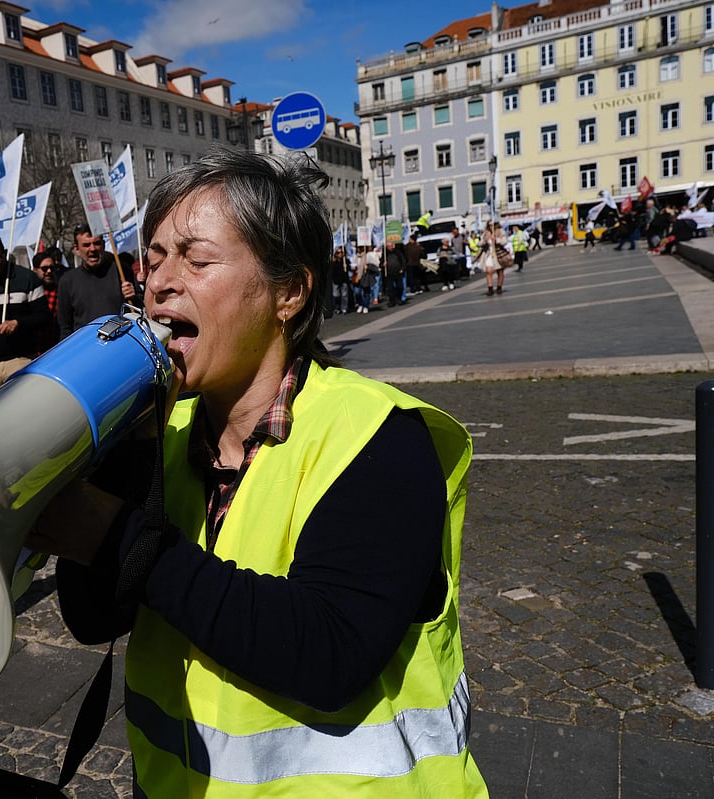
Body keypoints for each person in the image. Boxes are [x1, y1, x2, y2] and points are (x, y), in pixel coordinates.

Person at [29, 149, 488, 797]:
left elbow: (329, 651)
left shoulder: (376, 438)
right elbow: (96, 617)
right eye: (154, 257)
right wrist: (108, 473)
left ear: (288, 291)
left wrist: (113, 534)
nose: (159, 281)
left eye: (195, 257)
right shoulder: (169, 434)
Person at [0, 233, 50, 394]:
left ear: (5, 253)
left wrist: (17, 323)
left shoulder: (27, 278)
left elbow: (44, 316)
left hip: (19, 360)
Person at [56, 224, 139, 338]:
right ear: (76, 249)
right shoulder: (67, 281)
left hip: (120, 343)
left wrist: (134, 297)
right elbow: (65, 326)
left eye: (97, 243)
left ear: (103, 245)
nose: (93, 249)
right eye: (86, 245)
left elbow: (139, 311)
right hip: (86, 347)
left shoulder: (121, 270)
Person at [32, 248, 63, 354]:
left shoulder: (60, 291)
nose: (49, 272)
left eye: (52, 268)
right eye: (44, 268)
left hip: (54, 348)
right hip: (33, 350)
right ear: (35, 270)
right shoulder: (29, 292)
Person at [479, 221, 508, 296]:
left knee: (500, 271)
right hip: (489, 254)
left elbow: (505, 241)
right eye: (489, 225)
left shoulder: (500, 231)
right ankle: (490, 288)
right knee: (489, 271)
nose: (490, 226)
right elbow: (480, 243)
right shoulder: (485, 233)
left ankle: (499, 287)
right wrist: (485, 241)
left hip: (498, 253)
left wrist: (497, 239)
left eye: (492, 225)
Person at [382, 240, 405, 307]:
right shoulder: (385, 254)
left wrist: (402, 269)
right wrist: (383, 265)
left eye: (390, 246)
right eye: (388, 246)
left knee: (400, 286)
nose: (389, 247)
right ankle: (392, 301)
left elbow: (403, 261)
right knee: (390, 288)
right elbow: (381, 263)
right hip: (389, 273)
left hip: (398, 272)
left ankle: (399, 298)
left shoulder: (397, 252)